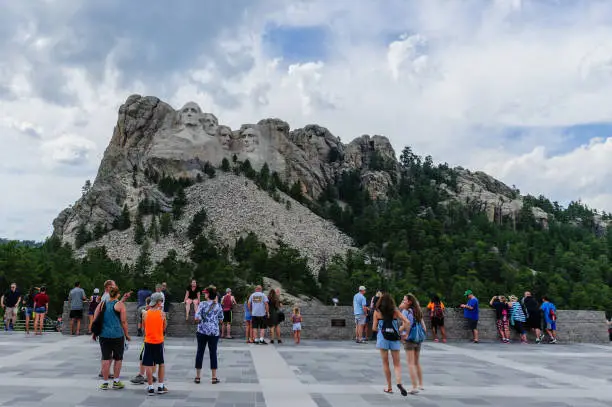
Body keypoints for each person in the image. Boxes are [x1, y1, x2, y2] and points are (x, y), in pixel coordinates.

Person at [372, 293, 409, 396]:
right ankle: (399, 383)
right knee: (397, 364)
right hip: (394, 338)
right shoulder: (395, 311)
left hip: (382, 338)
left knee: (385, 363)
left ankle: (389, 387)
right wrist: (399, 330)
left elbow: (374, 328)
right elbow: (407, 322)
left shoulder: (377, 312)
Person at [94, 286, 131, 390]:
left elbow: (96, 317)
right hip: (117, 335)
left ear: (109, 293)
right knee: (118, 358)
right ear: (118, 294)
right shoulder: (120, 305)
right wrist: (127, 335)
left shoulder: (102, 304)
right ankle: (116, 381)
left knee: (105, 358)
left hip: (104, 335)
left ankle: (105, 383)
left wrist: (94, 332)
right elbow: (123, 322)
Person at [194, 286, 224, 384]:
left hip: (202, 331)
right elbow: (221, 319)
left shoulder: (202, 304)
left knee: (200, 352)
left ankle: (198, 377)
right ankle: (214, 378)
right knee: (213, 353)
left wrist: (203, 320)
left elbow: (197, 318)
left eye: (206, 293)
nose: (204, 294)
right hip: (214, 332)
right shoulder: (218, 305)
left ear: (209, 294)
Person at [142, 292, 168, 395]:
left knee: (148, 364)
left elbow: (144, 327)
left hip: (148, 341)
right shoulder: (162, 313)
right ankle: (161, 386)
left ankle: (150, 387)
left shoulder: (145, 313)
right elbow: (164, 327)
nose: (161, 303)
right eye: (161, 301)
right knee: (161, 364)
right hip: (159, 341)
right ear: (158, 302)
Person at [401, 293, 426, 394]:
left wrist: (404, 334)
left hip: (410, 340)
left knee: (410, 363)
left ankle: (414, 387)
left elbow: (407, 324)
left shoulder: (406, 311)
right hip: (418, 339)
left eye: (404, 300)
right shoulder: (417, 310)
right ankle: (421, 384)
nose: (403, 301)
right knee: (416, 362)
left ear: (409, 302)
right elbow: (424, 327)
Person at [131, 297, 158, 385]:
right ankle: (151, 375)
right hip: (157, 340)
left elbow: (145, 326)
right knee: (153, 358)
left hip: (149, 339)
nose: (145, 306)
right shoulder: (160, 313)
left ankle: (142, 375)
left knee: (143, 357)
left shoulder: (147, 313)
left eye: (146, 304)